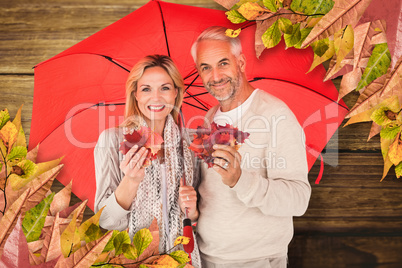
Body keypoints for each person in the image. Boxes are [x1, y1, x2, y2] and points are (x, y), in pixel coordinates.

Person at [191, 26, 311, 268]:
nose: (215, 76)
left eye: (223, 63)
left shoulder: (275, 115)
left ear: (241, 63)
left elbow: (299, 200)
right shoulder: (208, 119)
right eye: (206, 67)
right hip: (204, 256)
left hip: (254, 260)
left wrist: (240, 180)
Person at [94, 54, 201, 266]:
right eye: (146, 89)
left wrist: (193, 209)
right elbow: (105, 222)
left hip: (182, 260)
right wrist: (131, 181)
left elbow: (199, 220)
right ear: (135, 95)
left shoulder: (190, 142)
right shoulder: (112, 140)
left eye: (165, 88)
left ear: (176, 93)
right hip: (133, 260)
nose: (156, 97)